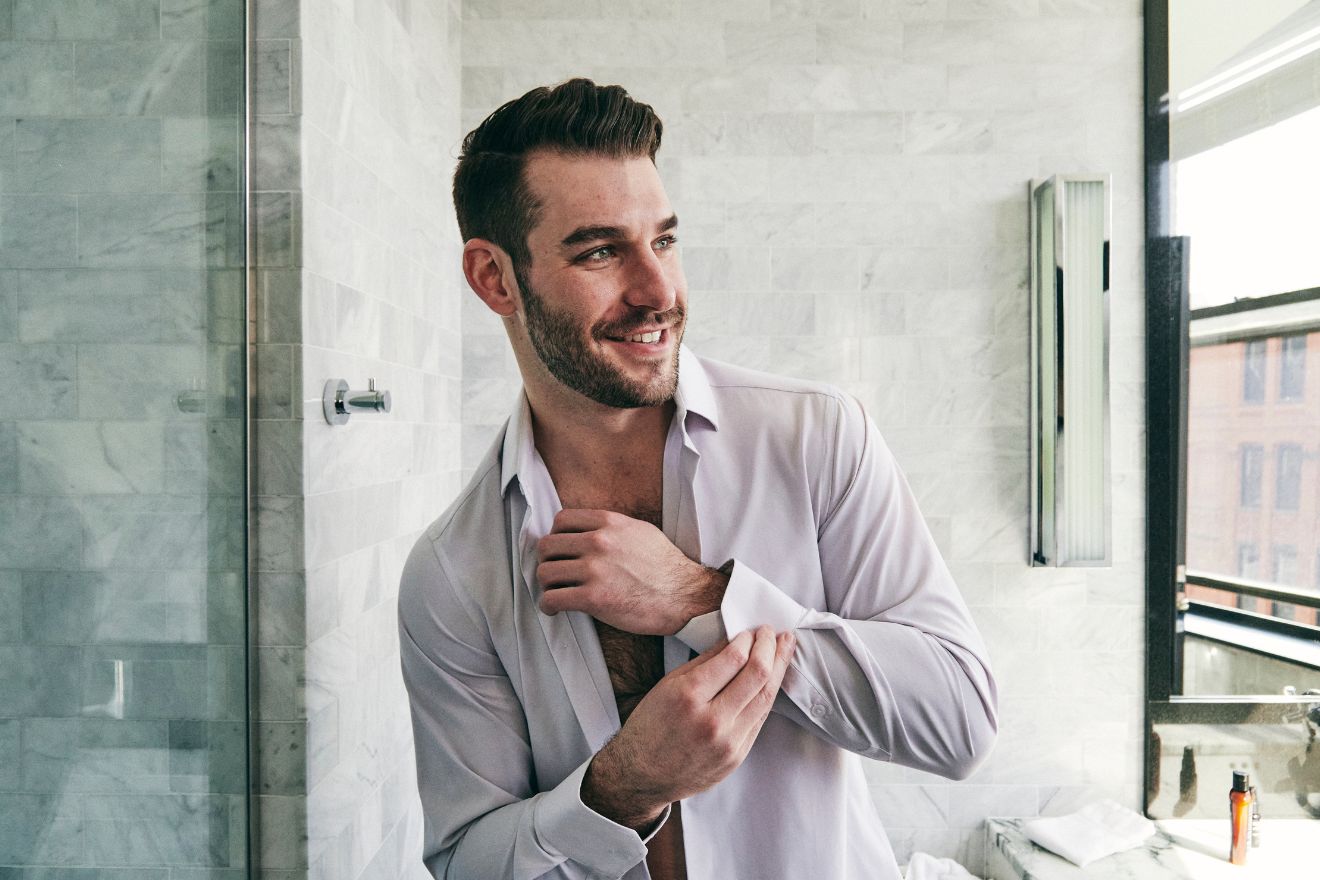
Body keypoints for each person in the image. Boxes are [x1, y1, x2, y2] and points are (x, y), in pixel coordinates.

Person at [398, 78, 998, 880]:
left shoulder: (815, 438)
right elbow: (468, 862)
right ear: (495, 279)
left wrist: (700, 599)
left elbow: (960, 722)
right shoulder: (453, 572)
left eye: (665, 241)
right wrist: (621, 790)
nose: (659, 292)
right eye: (602, 250)